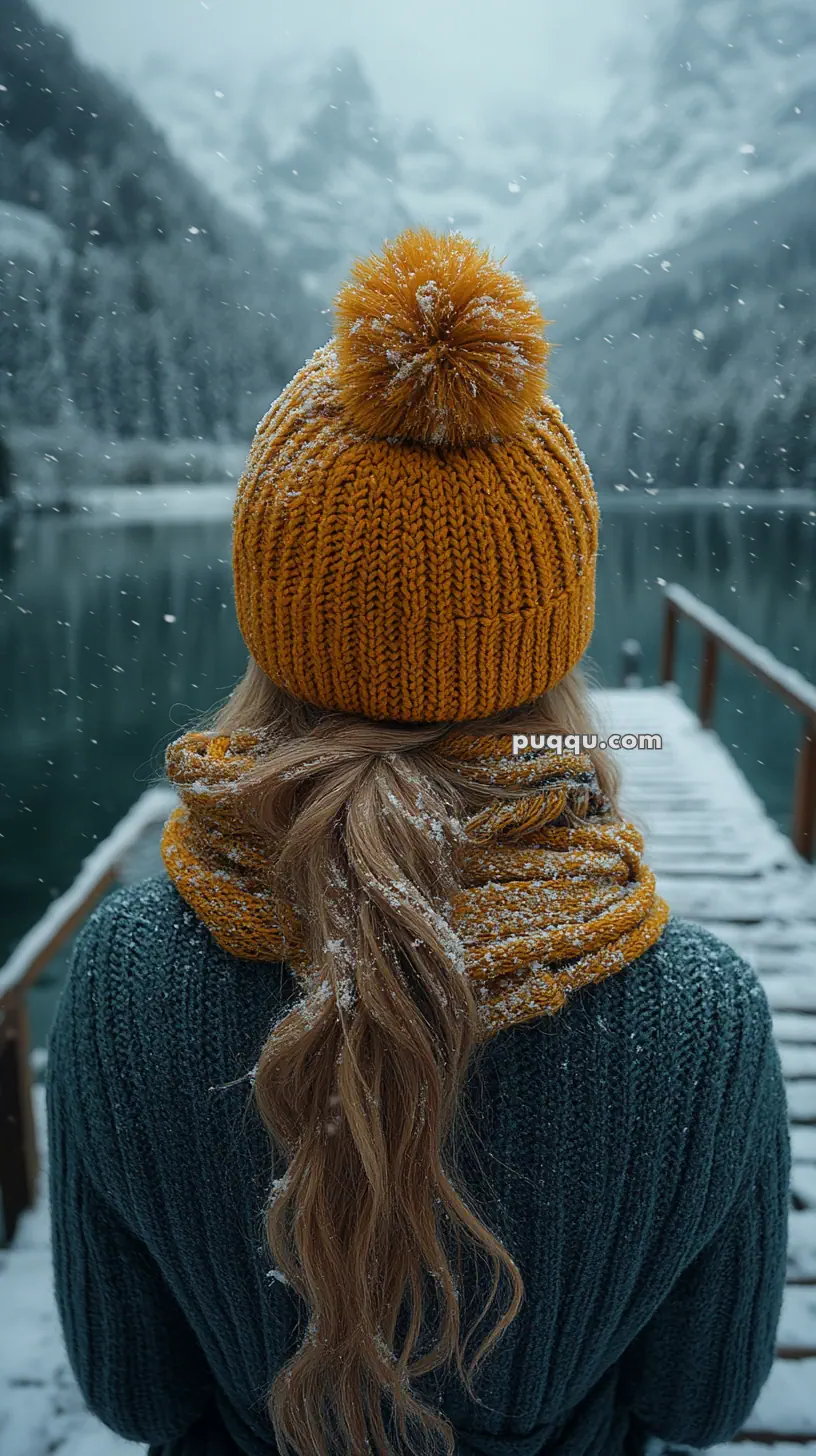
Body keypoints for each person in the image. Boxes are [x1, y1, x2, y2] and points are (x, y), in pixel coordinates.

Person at [46, 228, 790, 1456]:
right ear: (549, 639)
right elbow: (700, 1403)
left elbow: (135, 1393)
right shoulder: (701, 1019)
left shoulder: (128, 975)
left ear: (271, 613)